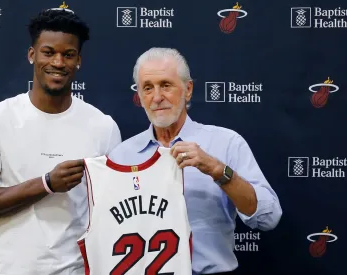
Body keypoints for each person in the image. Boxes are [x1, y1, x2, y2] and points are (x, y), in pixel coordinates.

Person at [0, 7, 121, 275]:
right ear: (32, 55)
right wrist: (47, 184)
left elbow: (113, 212)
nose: (58, 62)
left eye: (68, 54)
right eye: (48, 52)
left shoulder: (103, 127)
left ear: (78, 60)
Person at [108, 47, 282, 275]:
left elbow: (268, 218)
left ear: (188, 89)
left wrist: (218, 171)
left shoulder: (226, 143)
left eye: (166, 85)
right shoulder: (121, 156)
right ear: (139, 96)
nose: (157, 97)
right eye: (147, 88)